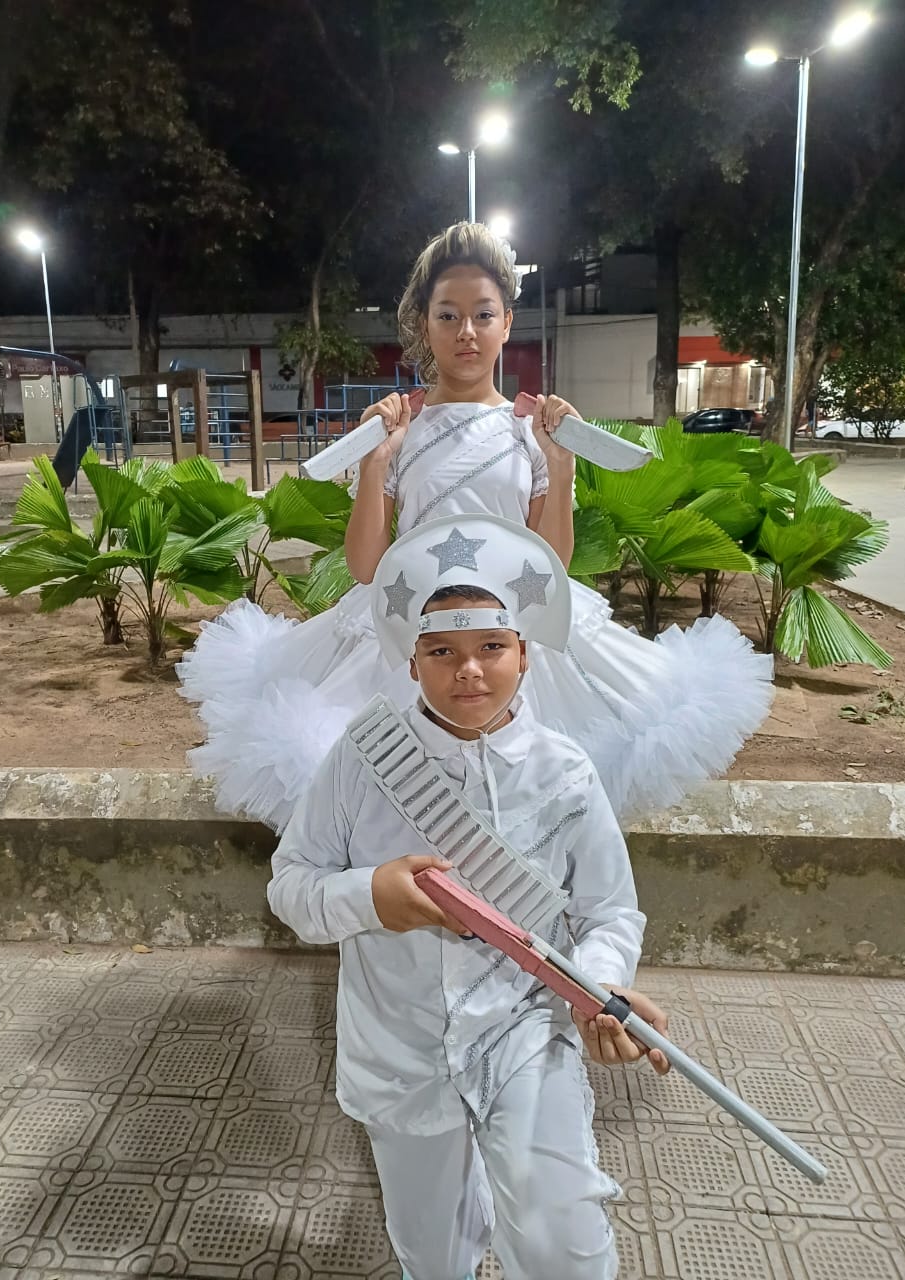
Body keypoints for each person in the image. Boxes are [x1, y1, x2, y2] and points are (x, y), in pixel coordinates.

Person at [178, 221, 773, 831]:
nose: (466, 331)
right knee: (389, 789)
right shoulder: (398, 430)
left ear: (506, 323)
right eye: (448, 316)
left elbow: (553, 563)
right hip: (409, 623)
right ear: (424, 325)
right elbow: (364, 567)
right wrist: (376, 459)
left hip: (511, 623)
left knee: (524, 794)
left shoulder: (530, 431)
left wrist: (560, 463)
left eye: (483, 314)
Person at [268, 514, 670, 1280]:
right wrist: (370, 895)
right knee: (432, 1251)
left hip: (527, 1032)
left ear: (525, 652)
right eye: (443, 652)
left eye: (492, 647)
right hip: (400, 1046)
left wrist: (600, 986)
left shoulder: (565, 771)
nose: (470, 671)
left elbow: (609, 911)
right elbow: (292, 885)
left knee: (561, 1241)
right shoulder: (362, 760)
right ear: (412, 661)